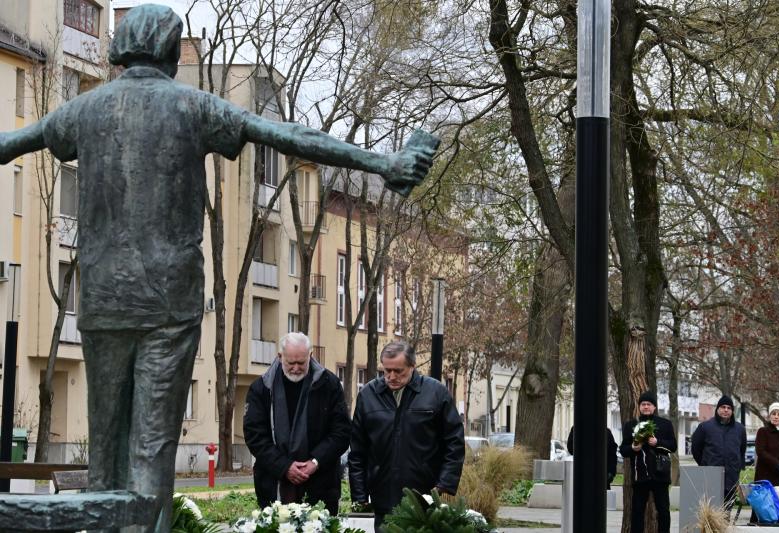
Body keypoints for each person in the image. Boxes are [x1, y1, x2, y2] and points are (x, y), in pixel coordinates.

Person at [0, 5, 435, 531]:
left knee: (106, 451)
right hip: (167, 303)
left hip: (102, 301)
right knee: (151, 453)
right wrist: (382, 163)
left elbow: (10, 144)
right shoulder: (190, 105)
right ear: (167, 49)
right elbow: (289, 137)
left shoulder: (83, 110)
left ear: (120, 50)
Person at [349, 341, 465, 529]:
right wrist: (360, 496)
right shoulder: (368, 395)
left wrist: (443, 484)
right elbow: (358, 451)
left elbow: (454, 442)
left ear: (412, 366)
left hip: (424, 492)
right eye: (387, 370)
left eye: (399, 371)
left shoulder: (436, 393)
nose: (391, 376)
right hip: (381, 492)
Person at [243, 332, 350, 513]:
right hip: (274, 483)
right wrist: (284, 466)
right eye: (290, 363)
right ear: (279, 357)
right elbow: (255, 435)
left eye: (301, 362)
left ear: (311, 356)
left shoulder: (329, 385)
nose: (296, 368)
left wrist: (315, 462)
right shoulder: (261, 388)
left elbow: (342, 431)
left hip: (321, 482)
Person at [619, 391, 677, 533]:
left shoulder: (665, 424)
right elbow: (623, 450)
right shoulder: (631, 425)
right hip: (640, 476)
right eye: (643, 404)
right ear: (639, 407)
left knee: (663, 511)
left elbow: (673, 446)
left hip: (660, 475)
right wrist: (633, 447)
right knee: (637, 512)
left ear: (654, 407)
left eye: (649, 404)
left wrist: (658, 442)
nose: (646, 407)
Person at [690, 395, 747, 507]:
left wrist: (737, 467)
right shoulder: (705, 427)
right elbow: (696, 448)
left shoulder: (740, 429)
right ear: (717, 409)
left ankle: (725, 525)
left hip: (731, 476)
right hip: (711, 476)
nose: (726, 410)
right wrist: (704, 463)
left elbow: (741, 450)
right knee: (712, 510)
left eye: (729, 408)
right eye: (723, 407)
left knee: (726, 511)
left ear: (732, 411)